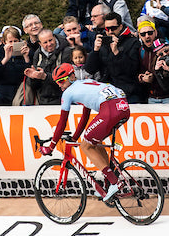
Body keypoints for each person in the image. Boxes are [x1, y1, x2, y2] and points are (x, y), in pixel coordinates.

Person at [41, 63, 132, 201]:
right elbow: (85, 117)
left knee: (85, 146)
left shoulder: (68, 93)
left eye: (62, 81)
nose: (60, 85)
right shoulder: (87, 82)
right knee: (94, 142)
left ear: (72, 76)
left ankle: (114, 182)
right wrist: (75, 137)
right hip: (123, 106)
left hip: (110, 108)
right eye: (57, 82)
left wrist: (51, 146)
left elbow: (62, 122)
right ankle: (109, 183)